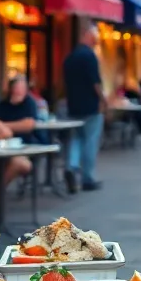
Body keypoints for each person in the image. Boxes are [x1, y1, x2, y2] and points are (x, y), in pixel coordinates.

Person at [62, 25, 107, 192]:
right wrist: (103, 100)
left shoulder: (69, 58)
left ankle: (71, 166)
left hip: (73, 105)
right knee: (90, 141)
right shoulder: (90, 56)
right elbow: (95, 82)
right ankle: (88, 178)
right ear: (87, 35)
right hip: (90, 106)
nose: (96, 41)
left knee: (76, 138)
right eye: (95, 38)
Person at [0, 79, 38, 186]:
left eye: (23, 88)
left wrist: (3, 126)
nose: (19, 91)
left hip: (23, 147)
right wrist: (15, 126)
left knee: (18, 163)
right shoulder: (2, 105)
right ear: (11, 89)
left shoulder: (29, 102)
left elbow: (28, 125)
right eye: (17, 88)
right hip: (2, 145)